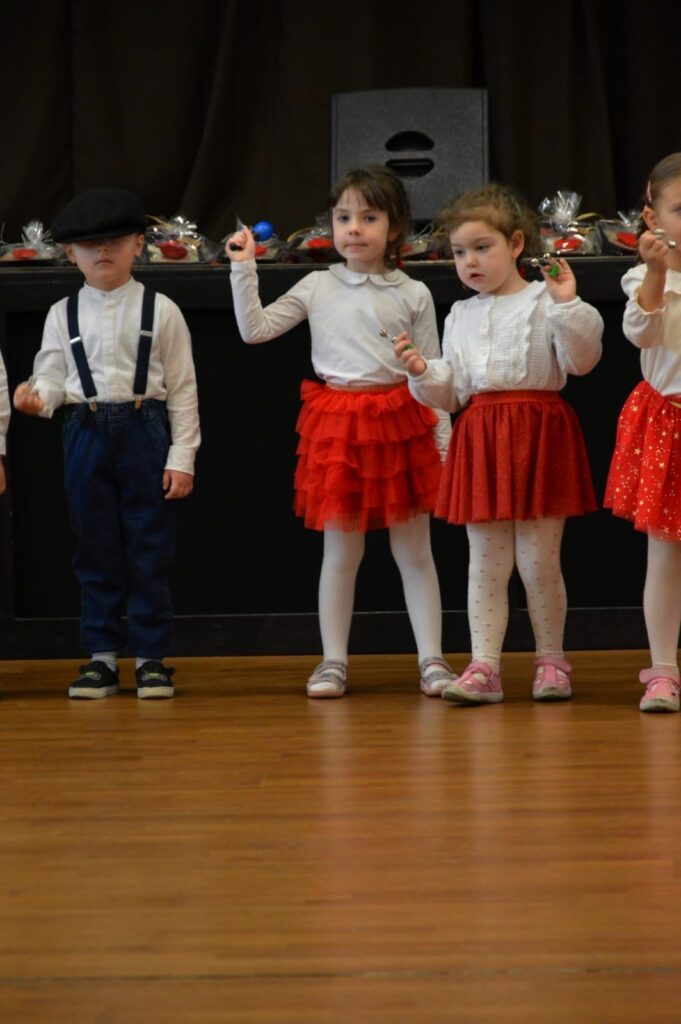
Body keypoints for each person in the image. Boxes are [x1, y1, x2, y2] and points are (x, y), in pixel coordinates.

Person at [226, 166, 455, 698]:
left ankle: (432, 659)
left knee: (415, 553)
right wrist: (243, 269)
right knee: (341, 555)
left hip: (401, 423)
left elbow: (435, 374)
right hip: (339, 428)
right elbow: (255, 330)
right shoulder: (317, 284)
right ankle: (333, 661)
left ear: (395, 227)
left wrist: (443, 446)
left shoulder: (414, 292)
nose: (354, 228)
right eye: (344, 217)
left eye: (369, 217)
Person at [395, 183, 603, 705]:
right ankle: (485, 665)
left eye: (481, 247)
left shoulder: (544, 300)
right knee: (485, 564)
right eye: (459, 252)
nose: (469, 261)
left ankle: (551, 661)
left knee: (537, 563)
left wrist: (567, 303)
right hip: (482, 437)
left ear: (515, 244)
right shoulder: (460, 315)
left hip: (538, 434)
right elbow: (453, 391)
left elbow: (582, 360)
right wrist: (422, 372)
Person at [13, 187, 200, 699]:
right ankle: (101, 658)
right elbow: (52, 376)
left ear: (138, 245)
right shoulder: (62, 313)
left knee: (149, 545)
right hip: (85, 431)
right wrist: (37, 397)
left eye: (114, 241)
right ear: (69, 253)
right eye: (89, 245)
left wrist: (182, 457)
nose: (102, 252)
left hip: (146, 430)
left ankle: (151, 658)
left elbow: (184, 389)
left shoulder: (162, 311)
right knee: (93, 545)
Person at [604, 153, 681, 712]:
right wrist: (656, 273)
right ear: (653, 219)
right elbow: (640, 333)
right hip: (670, 424)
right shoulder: (643, 277)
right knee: (665, 553)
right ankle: (663, 670)